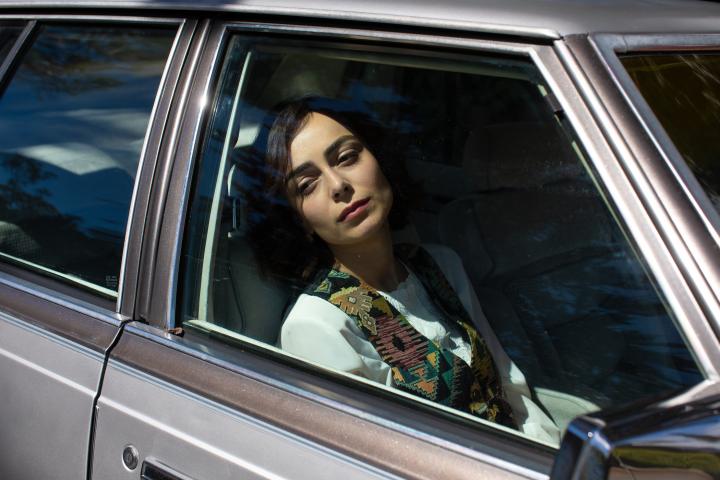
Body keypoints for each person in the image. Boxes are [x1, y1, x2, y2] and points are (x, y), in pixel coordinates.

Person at [248, 97, 559, 443]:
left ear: (379, 158)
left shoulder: (440, 264)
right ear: (299, 220)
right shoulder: (316, 326)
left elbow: (510, 389)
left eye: (347, 158)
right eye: (307, 185)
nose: (338, 185)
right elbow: (373, 457)